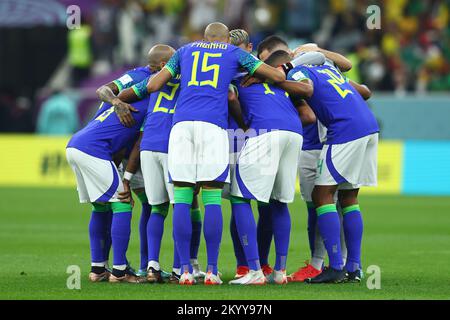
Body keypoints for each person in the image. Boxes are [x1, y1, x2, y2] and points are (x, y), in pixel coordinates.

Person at [117, 22, 286, 285]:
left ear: (204, 37)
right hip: (213, 127)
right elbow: (278, 77)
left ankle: (184, 270)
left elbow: (153, 85)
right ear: (225, 39)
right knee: (211, 198)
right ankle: (212, 270)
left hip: (181, 127)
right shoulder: (233, 53)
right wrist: (253, 74)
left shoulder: (184, 51)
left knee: (182, 198)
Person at [119, 45, 206, 284]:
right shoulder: (190, 82)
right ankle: (180, 268)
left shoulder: (153, 84)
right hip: (173, 146)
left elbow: (130, 100)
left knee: (157, 208)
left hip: (148, 146)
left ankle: (152, 266)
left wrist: (117, 102)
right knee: (183, 206)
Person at [287, 62, 378, 284]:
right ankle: (353, 267)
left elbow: (306, 89)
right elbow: (366, 92)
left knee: (322, 195)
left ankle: (336, 266)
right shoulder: (330, 71)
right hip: (369, 126)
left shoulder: (300, 71)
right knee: (349, 197)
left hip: (344, 131)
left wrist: (279, 80)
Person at [228, 50, 313, 285]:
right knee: (279, 201)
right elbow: (312, 59)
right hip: (294, 133)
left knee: (240, 198)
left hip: (265, 131)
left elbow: (231, 99)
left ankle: (254, 271)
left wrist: (244, 126)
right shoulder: (276, 79)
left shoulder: (236, 76)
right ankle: (280, 271)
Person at [65, 94, 148, 284]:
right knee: (123, 203)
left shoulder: (117, 103)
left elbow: (117, 145)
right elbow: (138, 145)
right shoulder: (149, 106)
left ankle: (98, 269)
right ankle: (119, 272)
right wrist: (126, 179)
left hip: (75, 143)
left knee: (101, 206)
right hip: (93, 149)